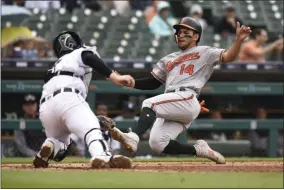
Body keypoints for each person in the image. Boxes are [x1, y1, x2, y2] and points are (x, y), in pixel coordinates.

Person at [110, 17, 252, 164]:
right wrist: (130, 83)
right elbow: (153, 83)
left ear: (196, 36)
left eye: (186, 32)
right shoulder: (168, 59)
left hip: (187, 96)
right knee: (157, 144)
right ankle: (199, 150)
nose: (181, 35)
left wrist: (238, 40)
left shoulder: (204, 51)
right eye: (179, 32)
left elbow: (228, 56)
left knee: (149, 103)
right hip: (173, 102)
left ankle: (133, 137)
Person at [33, 31, 139, 169]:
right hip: (69, 98)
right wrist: (115, 78)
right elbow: (89, 57)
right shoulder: (79, 53)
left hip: (46, 108)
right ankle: (102, 156)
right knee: (92, 130)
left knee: (62, 144)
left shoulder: (54, 67)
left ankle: (51, 146)